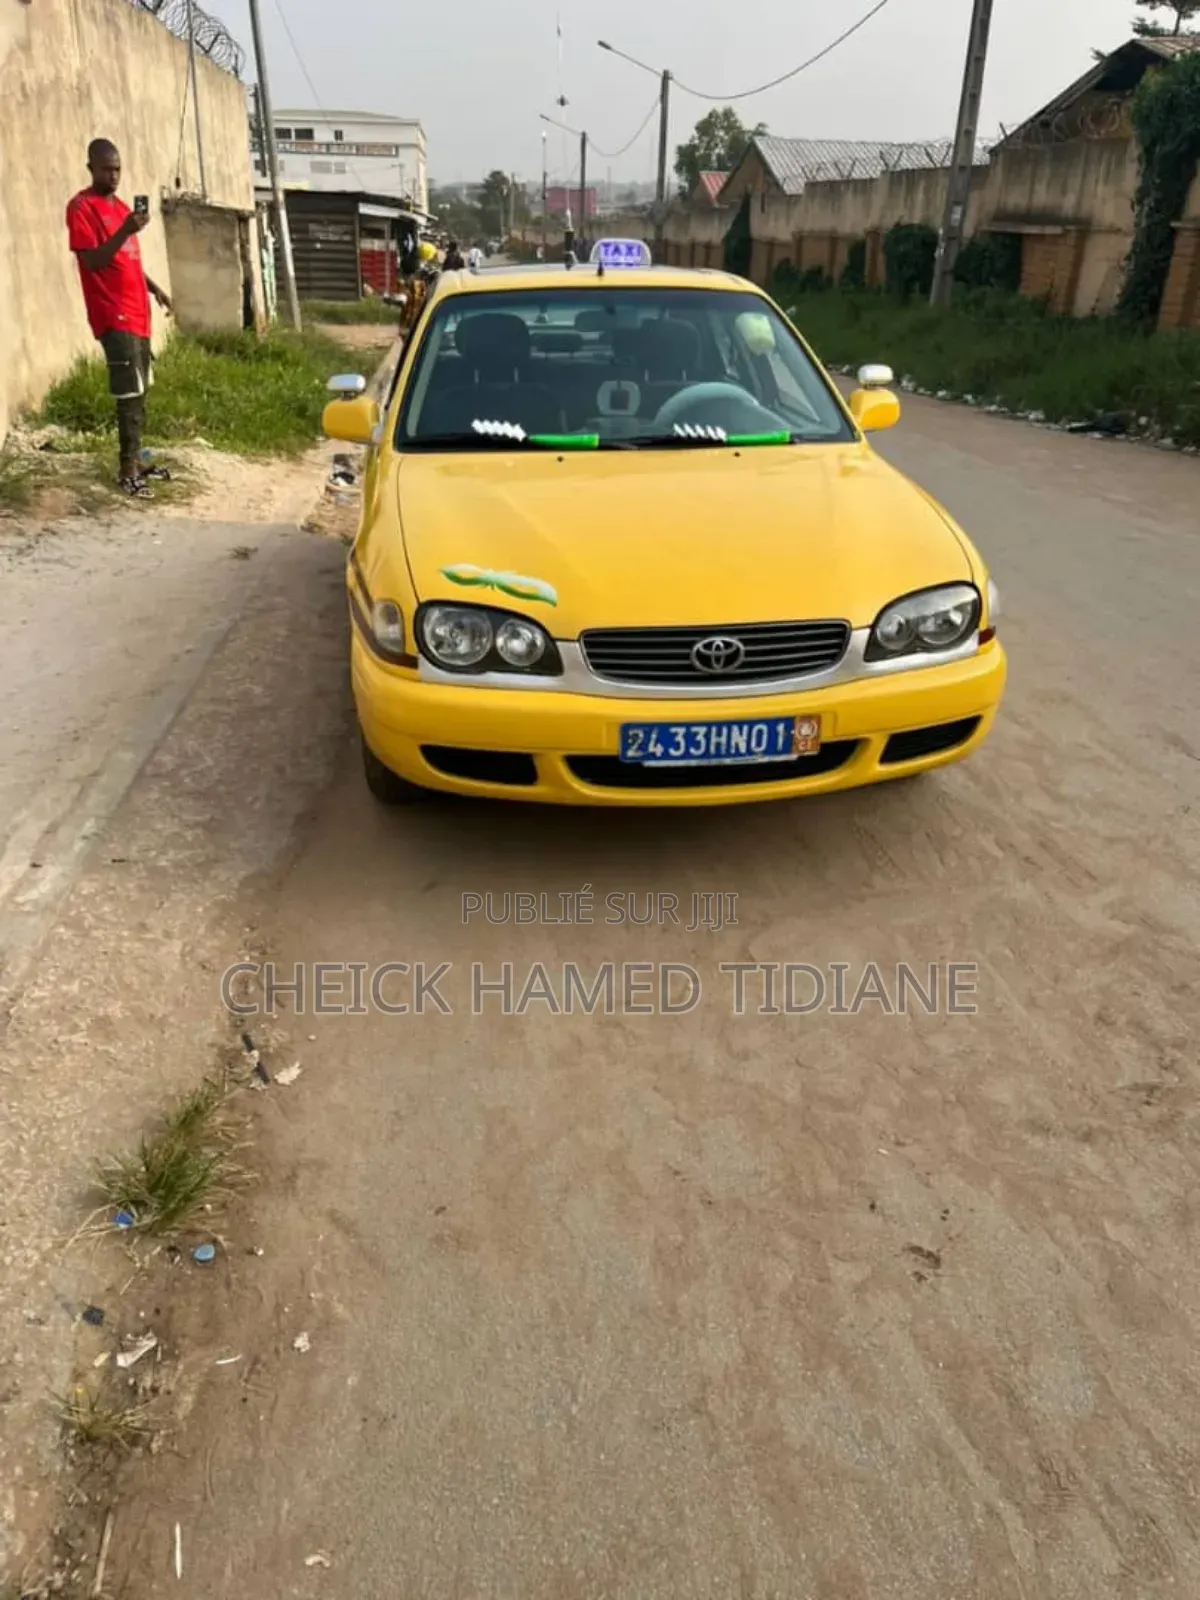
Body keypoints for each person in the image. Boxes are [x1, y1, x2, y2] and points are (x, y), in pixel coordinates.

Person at [66, 139, 172, 498]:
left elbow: (128, 262)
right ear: (90, 168)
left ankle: (137, 458)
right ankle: (126, 467)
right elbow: (93, 260)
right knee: (127, 389)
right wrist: (125, 229)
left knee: (141, 387)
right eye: (106, 168)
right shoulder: (81, 208)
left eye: (117, 169)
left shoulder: (123, 208)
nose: (113, 175)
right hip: (113, 311)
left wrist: (155, 289)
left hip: (138, 311)